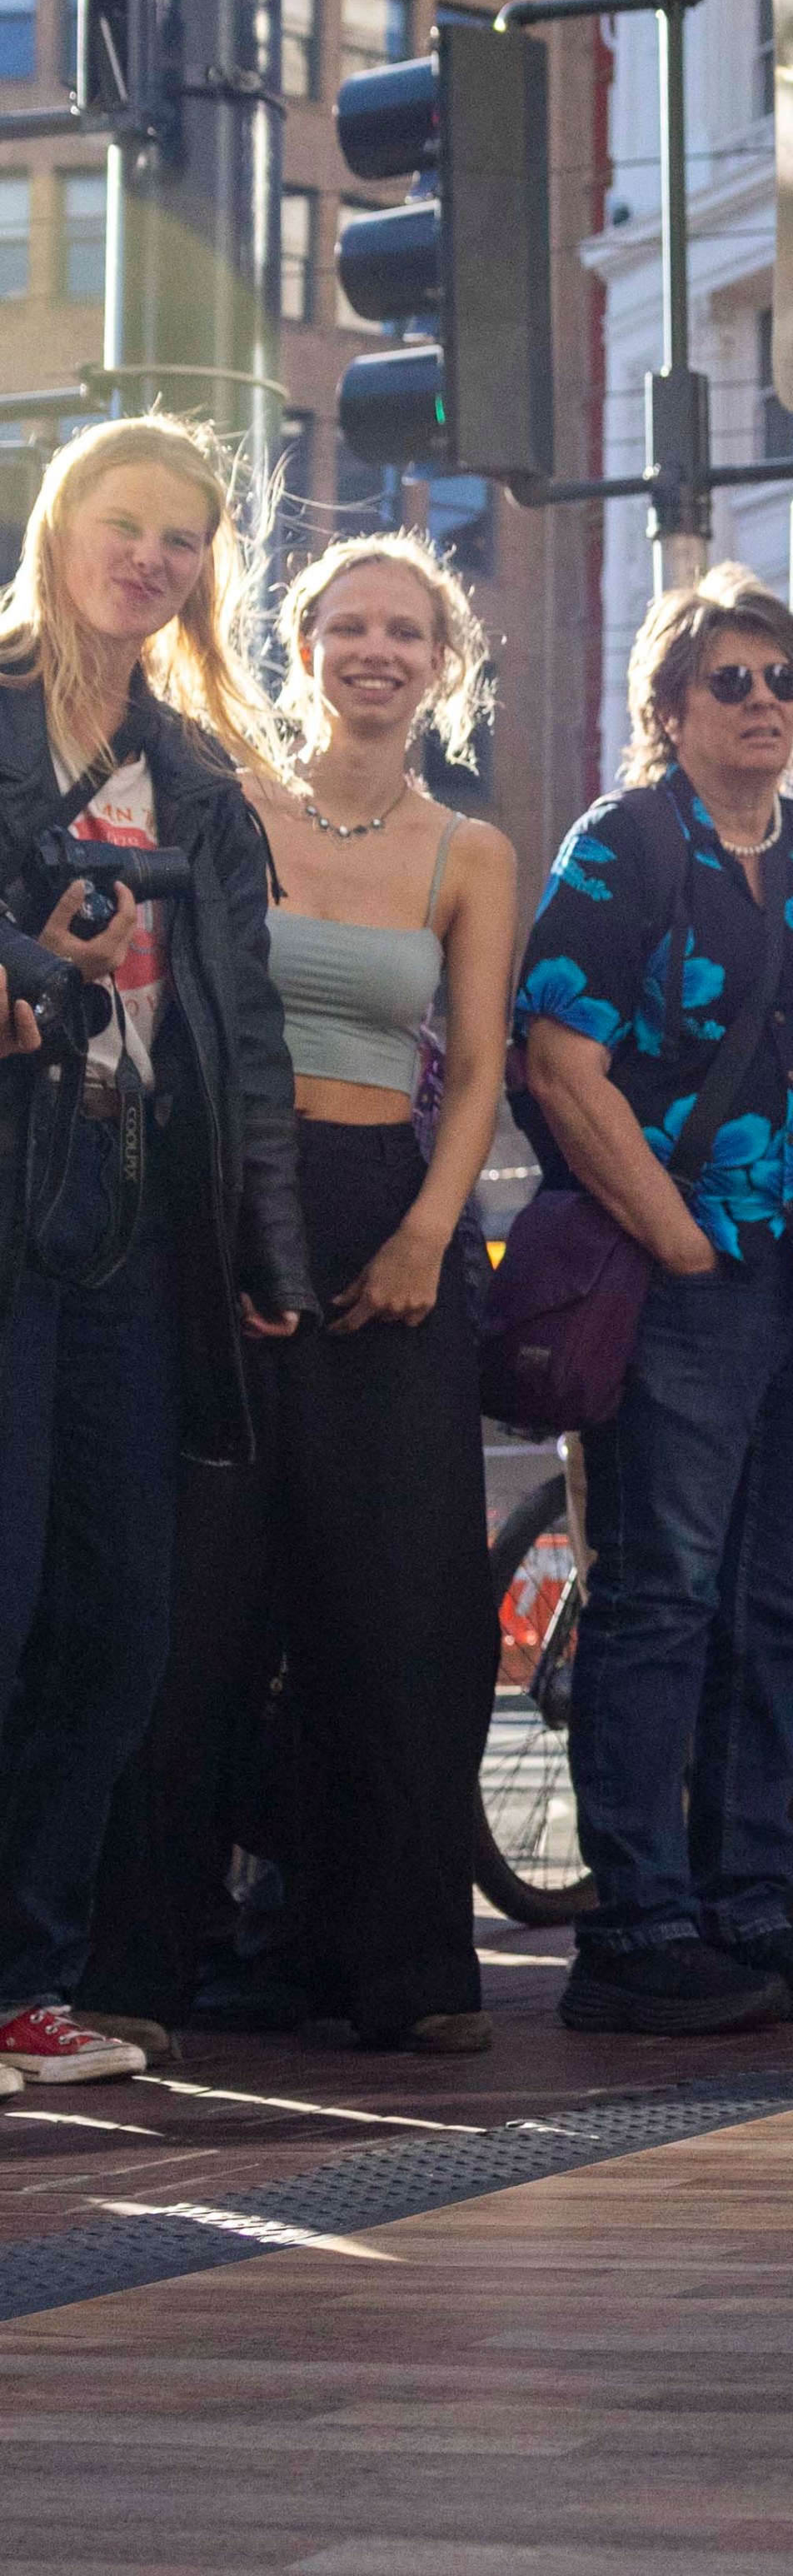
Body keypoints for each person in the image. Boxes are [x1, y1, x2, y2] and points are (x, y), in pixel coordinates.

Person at [86, 535, 516, 2054]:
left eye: (408, 629)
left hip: (394, 1220)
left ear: (443, 659)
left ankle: (400, 1969)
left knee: (401, 1607)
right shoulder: (227, 804)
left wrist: (426, 1233)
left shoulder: (469, 849)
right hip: (221, 1220)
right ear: (303, 640)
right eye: (349, 624)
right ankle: (139, 1961)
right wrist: (230, 1241)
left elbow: (475, 1074)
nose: (377, 648)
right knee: (195, 1598)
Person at [517, 573, 793, 2036]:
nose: (763, 699)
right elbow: (562, 1061)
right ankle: (636, 1921)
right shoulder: (624, 848)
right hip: (698, 1274)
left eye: (782, 676)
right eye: (730, 678)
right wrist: (682, 1239)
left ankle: (748, 1895)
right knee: (661, 1592)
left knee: (778, 1599)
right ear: (671, 706)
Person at [0, 415, 313, 2091]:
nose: (151, 555)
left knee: (112, 1615)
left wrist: (265, 1239)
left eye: (183, 536)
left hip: (132, 1221)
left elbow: (243, 1030)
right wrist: (34, 971)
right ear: (60, 529)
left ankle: (28, 1984)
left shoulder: (195, 769)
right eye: (124, 522)